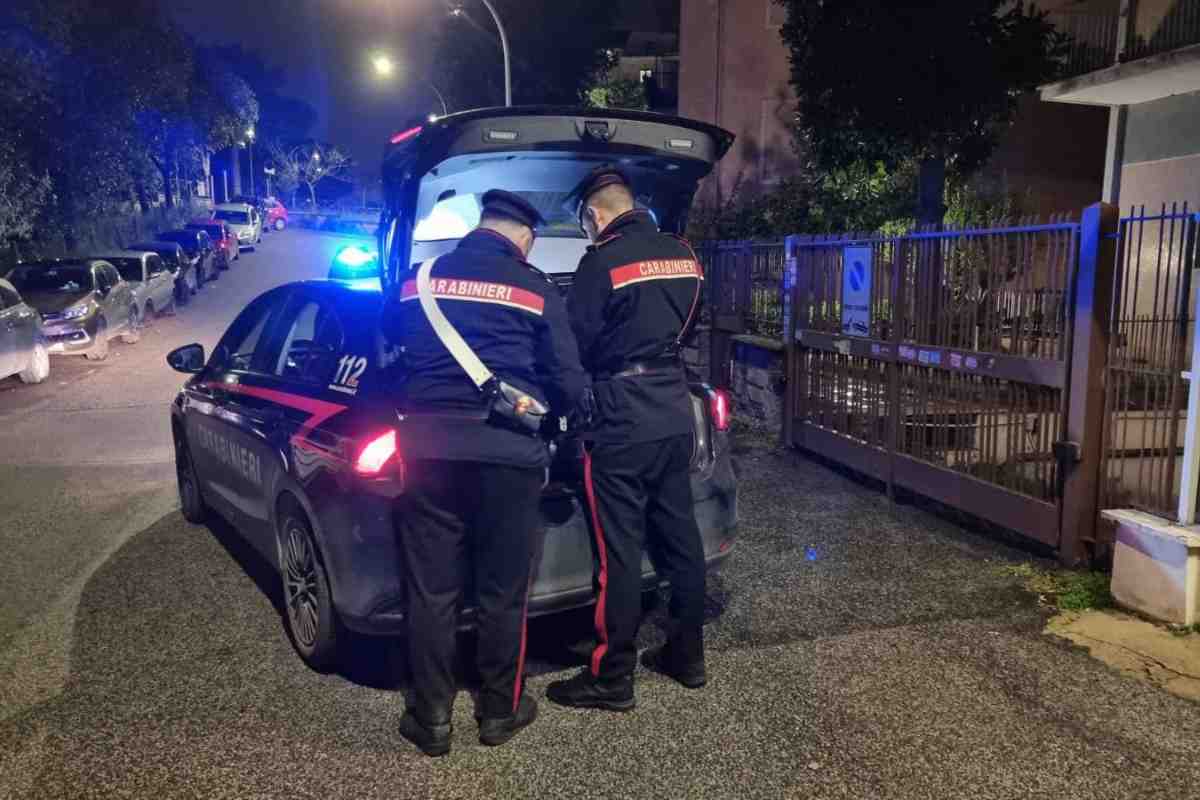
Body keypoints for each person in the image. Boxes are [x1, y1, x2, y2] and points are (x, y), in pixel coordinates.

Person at [387, 190, 586, 756]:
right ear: (524, 238)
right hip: (508, 456)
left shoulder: (417, 280)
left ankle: (430, 718)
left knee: (431, 590)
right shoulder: (536, 288)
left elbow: (388, 348)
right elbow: (568, 381)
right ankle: (500, 709)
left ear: (481, 226)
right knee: (503, 591)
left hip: (426, 451)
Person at [547, 167, 707, 713]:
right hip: (673, 408)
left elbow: (577, 346)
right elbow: (689, 327)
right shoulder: (683, 253)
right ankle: (687, 656)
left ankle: (612, 676)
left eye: (586, 225)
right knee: (682, 543)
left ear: (594, 216)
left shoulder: (600, 262)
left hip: (620, 418)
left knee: (619, 555)